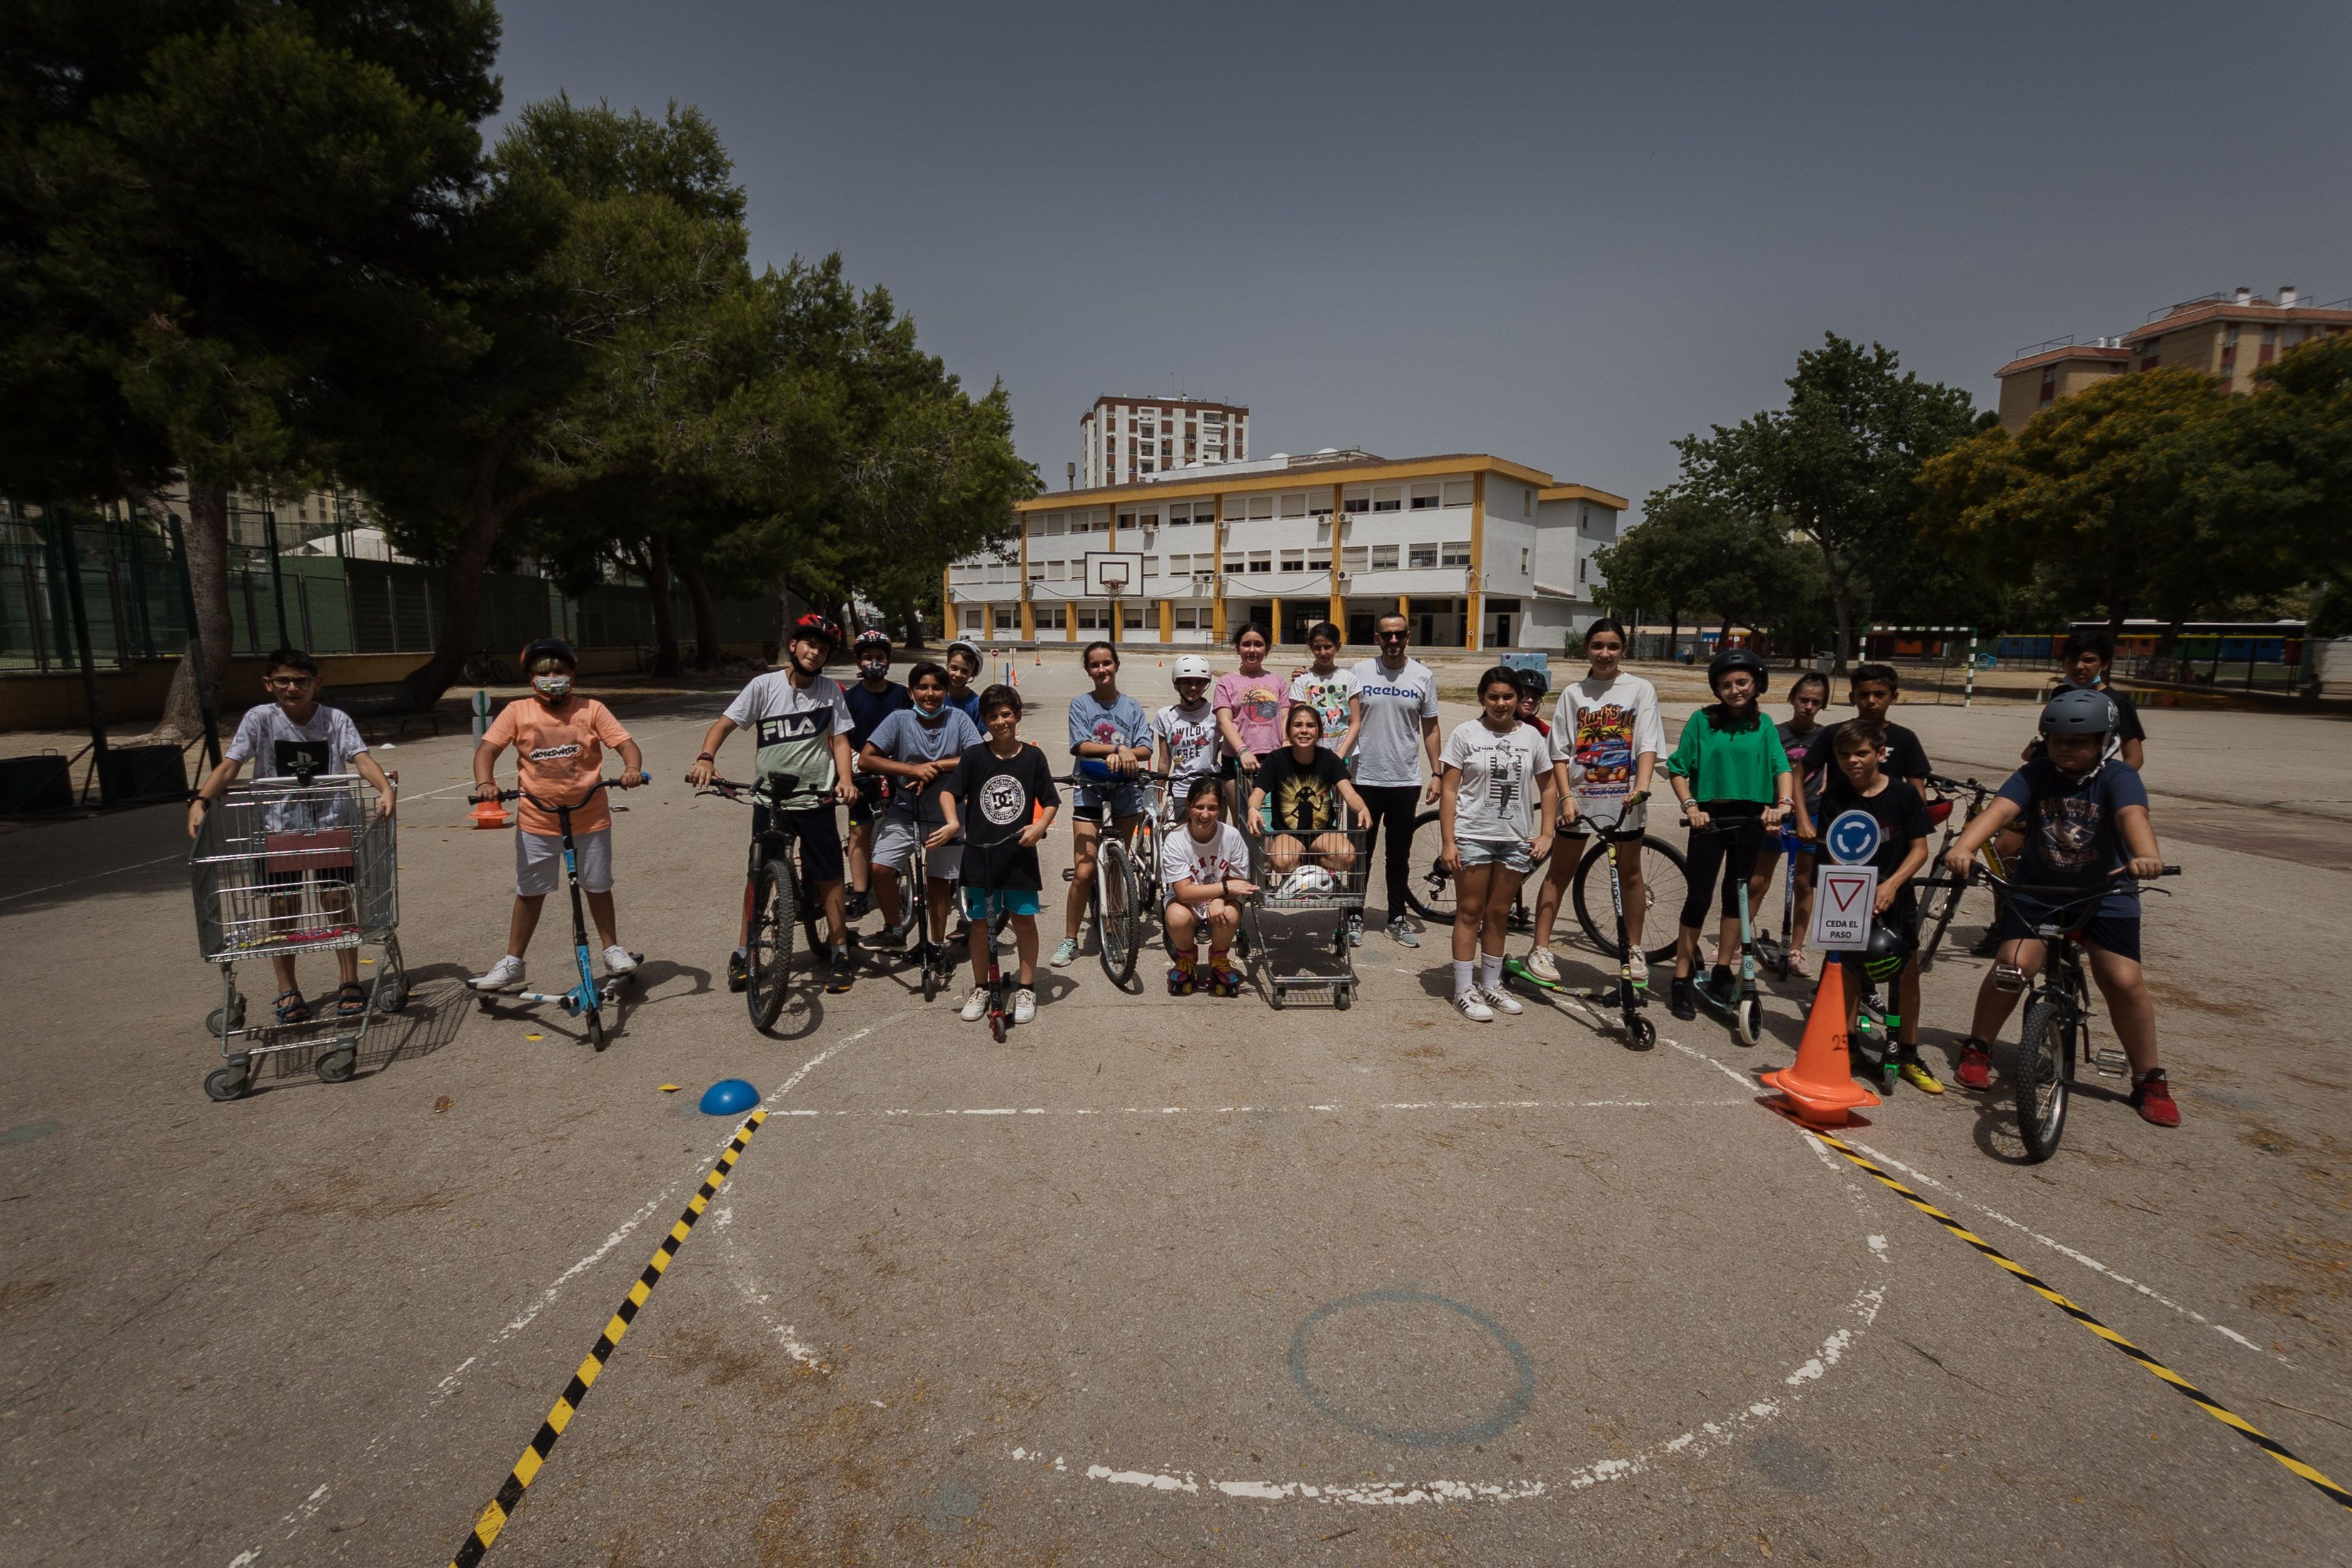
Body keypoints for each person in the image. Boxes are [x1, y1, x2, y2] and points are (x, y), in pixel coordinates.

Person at [1939, 688, 2179, 1127]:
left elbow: (2133, 817)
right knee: (2012, 966)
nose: (2066, 749)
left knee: (2123, 981)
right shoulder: (2034, 774)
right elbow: (1997, 812)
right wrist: (1965, 847)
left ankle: (2150, 1078)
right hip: (2038, 888)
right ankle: (1978, 1046)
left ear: (2104, 741)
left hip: (2105, 892)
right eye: (2057, 741)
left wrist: (2146, 855)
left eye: (2079, 741)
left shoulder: (2119, 776)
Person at [188, 647, 398, 1023]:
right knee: (283, 910)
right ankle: (288, 990)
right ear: (269, 684)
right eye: (283, 681)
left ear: (317, 683)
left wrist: (385, 788)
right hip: (279, 827)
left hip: (330, 824)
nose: (292, 688)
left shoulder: (334, 719)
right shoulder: (260, 719)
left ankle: (349, 982)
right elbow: (232, 764)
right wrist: (201, 800)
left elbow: (361, 757)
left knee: (336, 900)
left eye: (301, 681)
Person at [687, 613, 859, 995]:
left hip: (815, 798)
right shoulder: (763, 686)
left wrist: (845, 781)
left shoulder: (831, 691)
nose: (815, 652)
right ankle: (743, 952)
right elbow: (723, 725)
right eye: (809, 644)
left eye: (824, 648)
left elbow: (842, 740)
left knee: (830, 875)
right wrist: (705, 758)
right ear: (794, 646)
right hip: (770, 799)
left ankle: (840, 951)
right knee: (758, 876)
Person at [465, 637, 647, 994]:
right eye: (544, 673)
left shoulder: (591, 709)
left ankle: (611, 950)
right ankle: (512, 963)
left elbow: (626, 744)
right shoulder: (518, 712)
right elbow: (487, 749)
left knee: (597, 885)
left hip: (589, 817)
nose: (553, 678)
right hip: (537, 819)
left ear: (573, 675)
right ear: (532, 680)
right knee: (531, 891)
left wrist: (632, 769)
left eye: (560, 671)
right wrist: (485, 783)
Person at [1524, 619, 1662, 986]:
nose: (1605, 653)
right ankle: (1540, 948)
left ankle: (1633, 949)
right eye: (1598, 645)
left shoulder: (1640, 689)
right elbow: (1559, 752)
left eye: (1613, 646)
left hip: (1626, 800)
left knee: (1631, 874)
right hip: (1580, 798)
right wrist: (1567, 796)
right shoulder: (1574, 694)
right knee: (1560, 872)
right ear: (1586, 648)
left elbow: (1647, 742)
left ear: (1624, 650)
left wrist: (1643, 786)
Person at [1664, 648, 1792, 1021]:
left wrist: (1781, 804)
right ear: (1716, 689)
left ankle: (1722, 969)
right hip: (1711, 816)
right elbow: (1677, 769)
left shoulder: (1764, 724)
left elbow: (1779, 766)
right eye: (1726, 685)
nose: (1735, 690)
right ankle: (1682, 975)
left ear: (1756, 683)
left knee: (1736, 895)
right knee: (1699, 895)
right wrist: (1692, 807)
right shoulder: (1702, 721)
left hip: (1752, 816)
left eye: (1742, 682)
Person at [1815, 719, 1939, 1091]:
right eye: (1844, 754)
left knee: (1907, 970)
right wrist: (1854, 888)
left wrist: (1890, 885)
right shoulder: (1835, 796)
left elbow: (1920, 849)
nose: (1852, 760)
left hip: (1895, 894)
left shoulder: (1902, 796)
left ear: (1880, 754)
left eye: (1861, 753)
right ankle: (1847, 1044)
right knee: (1850, 970)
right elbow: (1833, 850)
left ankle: (1907, 1052)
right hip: (1850, 897)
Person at [1438, 666, 1560, 1022]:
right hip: (1474, 836)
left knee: (1498, 914)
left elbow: (1549, 786)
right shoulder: (1466, 734)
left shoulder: (1533, 738)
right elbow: (1449, 790)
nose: (1501, 703)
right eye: (1493, 697)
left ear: (1519, 698)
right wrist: (1449, 842)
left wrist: (1547, 833)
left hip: (1514, 839)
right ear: (1482, 699)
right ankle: (1463, 987)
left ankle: (1491, 983)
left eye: (1508, 697)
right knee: (1470, 911)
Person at [934, 684, 1059, 1025]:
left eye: (1006, 714)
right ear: (985, 721)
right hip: (980, 856)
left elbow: (1051, 801)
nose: (1001, 721)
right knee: (979, 925)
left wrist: (1038, 827)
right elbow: (950, 793)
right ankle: (981, 986)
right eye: (993, 717)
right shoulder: (975, 756)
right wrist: (951, 822)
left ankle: (1026, 987)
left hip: (1018, 854)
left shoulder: (1033, 757)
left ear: (1018, 716)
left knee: (1024, 922)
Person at [858, 661, 982, 965]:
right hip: (905, 811)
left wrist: (937, 766)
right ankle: (894, 928)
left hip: (948, 816)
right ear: (912, 692)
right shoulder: (899, 719)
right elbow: (866, 759)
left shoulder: (959, 718)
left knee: (939, 882)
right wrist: (910, 769)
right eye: (923, 687)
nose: (930, 694)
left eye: (937, 688)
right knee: (881, 868)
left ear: (946, 691)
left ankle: (936, 943)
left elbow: (976, 756)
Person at [1348, 612, 1443, 949]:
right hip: (1363, 779)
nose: (1393, 641)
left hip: (1404, 780)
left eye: (1399, 635)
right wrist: (1305, 678)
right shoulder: (1359, 672)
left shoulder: (1422, 675)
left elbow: (1430, 727)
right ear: (1377, 638)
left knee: (1398, 855)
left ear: (1407, 637)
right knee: (1359, 854)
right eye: (1386, 635)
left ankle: (1396, 917)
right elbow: (1331, 701)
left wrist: (1437, 772)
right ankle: (1353, 914)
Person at [1056, 640, 1153, 968]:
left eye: (1107, 663)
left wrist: (1127, 753)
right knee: (1084, 871)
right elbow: (1081, 746)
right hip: (1090, 785)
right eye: (1095, 665)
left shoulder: (1132, 706)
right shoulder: (1081, 704)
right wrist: (1117, 750)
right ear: (1088, 670)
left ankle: (1111, 929)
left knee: (1116, 868)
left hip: (1126, 787)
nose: (1102, 670)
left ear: (1117, 665)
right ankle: (1070, 939)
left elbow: (1145, 749)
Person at [1747, 669, 1831, 978]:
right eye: (1804, 699)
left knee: (1804, 884)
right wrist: (1767, 808)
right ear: (1792, 699)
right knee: (1758, 880)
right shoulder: (1775, 732)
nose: (1808, 706)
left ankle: (1796, 948)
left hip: (1811, 814)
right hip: (1776, 814)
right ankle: (1739, 941)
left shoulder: (1826, 736)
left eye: (1816, 702)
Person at [1789, 664, 1931, 841]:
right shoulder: (1835, 733)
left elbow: (1916, 790)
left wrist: (1916, 830)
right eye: (1864, 694)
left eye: (1879, 694)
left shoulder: (1905, 738)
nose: (1871, 700)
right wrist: (1803, 820)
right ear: (1852, 697)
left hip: (1886, 830)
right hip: (1837, 825)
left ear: (1893, 697)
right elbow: (1798, 774)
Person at [1250, 703, 1367, 886]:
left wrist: (1362, 808)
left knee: (1347, 857)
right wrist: (1252, 809)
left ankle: (1316, 865)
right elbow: (1258, 793)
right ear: (1288, 731)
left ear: (1319, 732)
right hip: (1288, 834)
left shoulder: (1329, 759)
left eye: (1310, 725)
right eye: (1297, 725)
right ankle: (1300, 869)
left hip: (1323, 833)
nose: (1304, 731)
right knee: (1281, 860)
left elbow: (1349, 793)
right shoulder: (1276, 759)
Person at [1159, 776, 1256, 996]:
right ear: (1189, 806)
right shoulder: (1176, 840)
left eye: (1212, 808)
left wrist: (1220, 900)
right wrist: (1224, 890)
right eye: (1199, 807)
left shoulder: (1231, 836)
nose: (1205, 814)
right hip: (1187, 903)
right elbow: (1184, 892)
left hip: (1220, 898)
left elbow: (1239, 884)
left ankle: (1219, 959)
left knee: (1229, 914)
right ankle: (1186, 959)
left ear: (1221, 810)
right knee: (1176, 916)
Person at [842, 629, 911, 921]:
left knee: (906, 826)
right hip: (862, 772)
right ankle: (859, 893)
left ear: (889, 661)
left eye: (880, 658)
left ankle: (902, 879)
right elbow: (840, 739)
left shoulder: (901, 695)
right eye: (868, 658)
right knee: (859, 831)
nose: (874, 663)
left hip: (897, 771)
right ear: (858, 662)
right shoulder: (849, 698)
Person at [2033, 632, 2146, 770]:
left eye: (2089, 660)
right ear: (2064, 663)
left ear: (2104, 664)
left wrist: (2107, 784)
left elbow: (2135, 758)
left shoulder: (2119, 702)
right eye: (2073, 660)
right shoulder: (2059, 694)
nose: (2079, 666)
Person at [1213, 622, 1288, 818]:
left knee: (1274, 826)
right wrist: (1243, 751)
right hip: (1238, 762)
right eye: (1246, 644)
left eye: (1258, 644)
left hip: (1273, 760)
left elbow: (1285, 715)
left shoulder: (1278, 681)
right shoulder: (1226, 682)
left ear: (1267, 648)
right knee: (1244, 826)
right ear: (1238, 648)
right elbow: (1224, 721)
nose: (1252, 650)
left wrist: (1286, 743)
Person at [1152, 652, 1224, 809]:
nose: (1193, 687)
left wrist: (1218, 747)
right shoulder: (1166, 716)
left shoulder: (1216, 712)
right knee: (1177, 831)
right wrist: (1158, 795)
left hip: (1211, 786)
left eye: (1199, 682)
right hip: (1180, 789)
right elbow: (1164, 760)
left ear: (1206, 684)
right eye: (1187, 682)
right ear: (1177, 684)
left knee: (1212, 832)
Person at [1286, 622, 1361, 757]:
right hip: (1312, 753)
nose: (1323, 653)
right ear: (1311, 648)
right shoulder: (1302, 680)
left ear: (1338, 646)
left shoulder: (1349, 679)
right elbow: (1299, 721)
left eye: (1328, 647)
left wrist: (1341, 752)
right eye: (1317, 648)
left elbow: (1355, 722)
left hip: (1344, 753)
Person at [942, 639, 985, 722]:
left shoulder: (975, 705)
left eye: (965, 671)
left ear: (973, 673)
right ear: (947, 666)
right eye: (954, 668)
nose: (958, 675)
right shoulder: (934, 696)